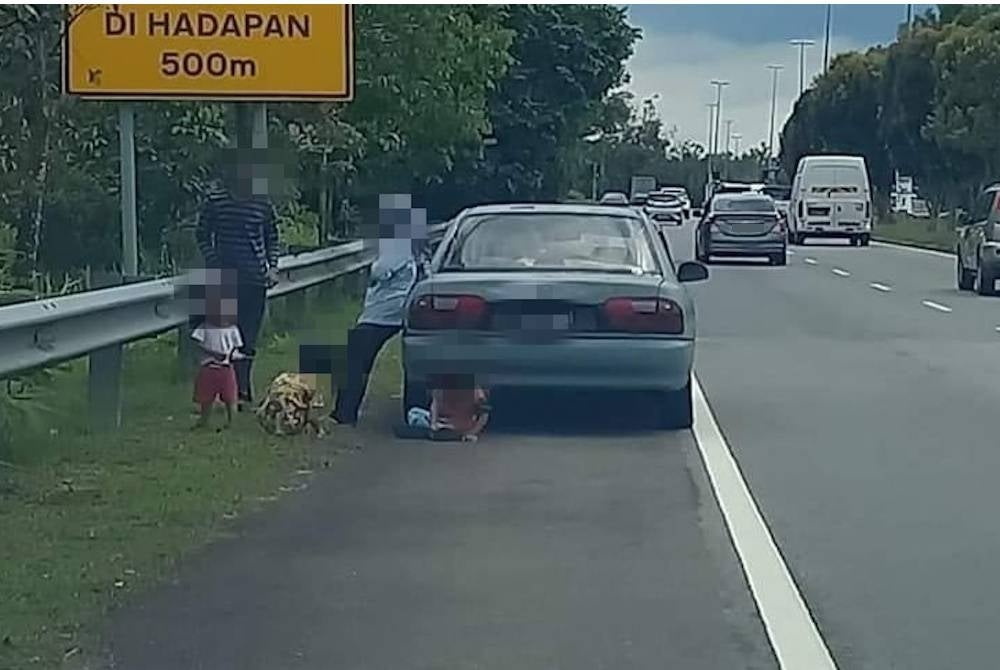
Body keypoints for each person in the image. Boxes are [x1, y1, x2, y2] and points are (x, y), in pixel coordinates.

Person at [329, 195, 426, 426]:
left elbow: (381, 271)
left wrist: (372, 266)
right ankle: (414, 412)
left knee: (356, 360)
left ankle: (344, 413)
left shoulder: (397, 243)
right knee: (413, 362)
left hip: (382, 312)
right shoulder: (413, 242)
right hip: (403, 309)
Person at [196, 152, 280, 409]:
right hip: (224, 278)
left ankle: (242, 390)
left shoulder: (262, 204)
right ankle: (220, 392)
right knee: (221, 338)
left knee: (248, 338)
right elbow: (202, 233)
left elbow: (272, 237)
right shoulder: (216, 201)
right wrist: (212, 259)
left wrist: (272, 267)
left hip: (254, 279)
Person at [191, 285, 245, 430]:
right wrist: (213, 353)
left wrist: (235, 356)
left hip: (226, 368)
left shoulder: (233, 330)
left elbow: (235, 348)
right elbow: (197, 345)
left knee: (230, 397)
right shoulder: (204, 328)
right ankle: (204, 420)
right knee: (206, 398)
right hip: (208, 367)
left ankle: (232, 422)